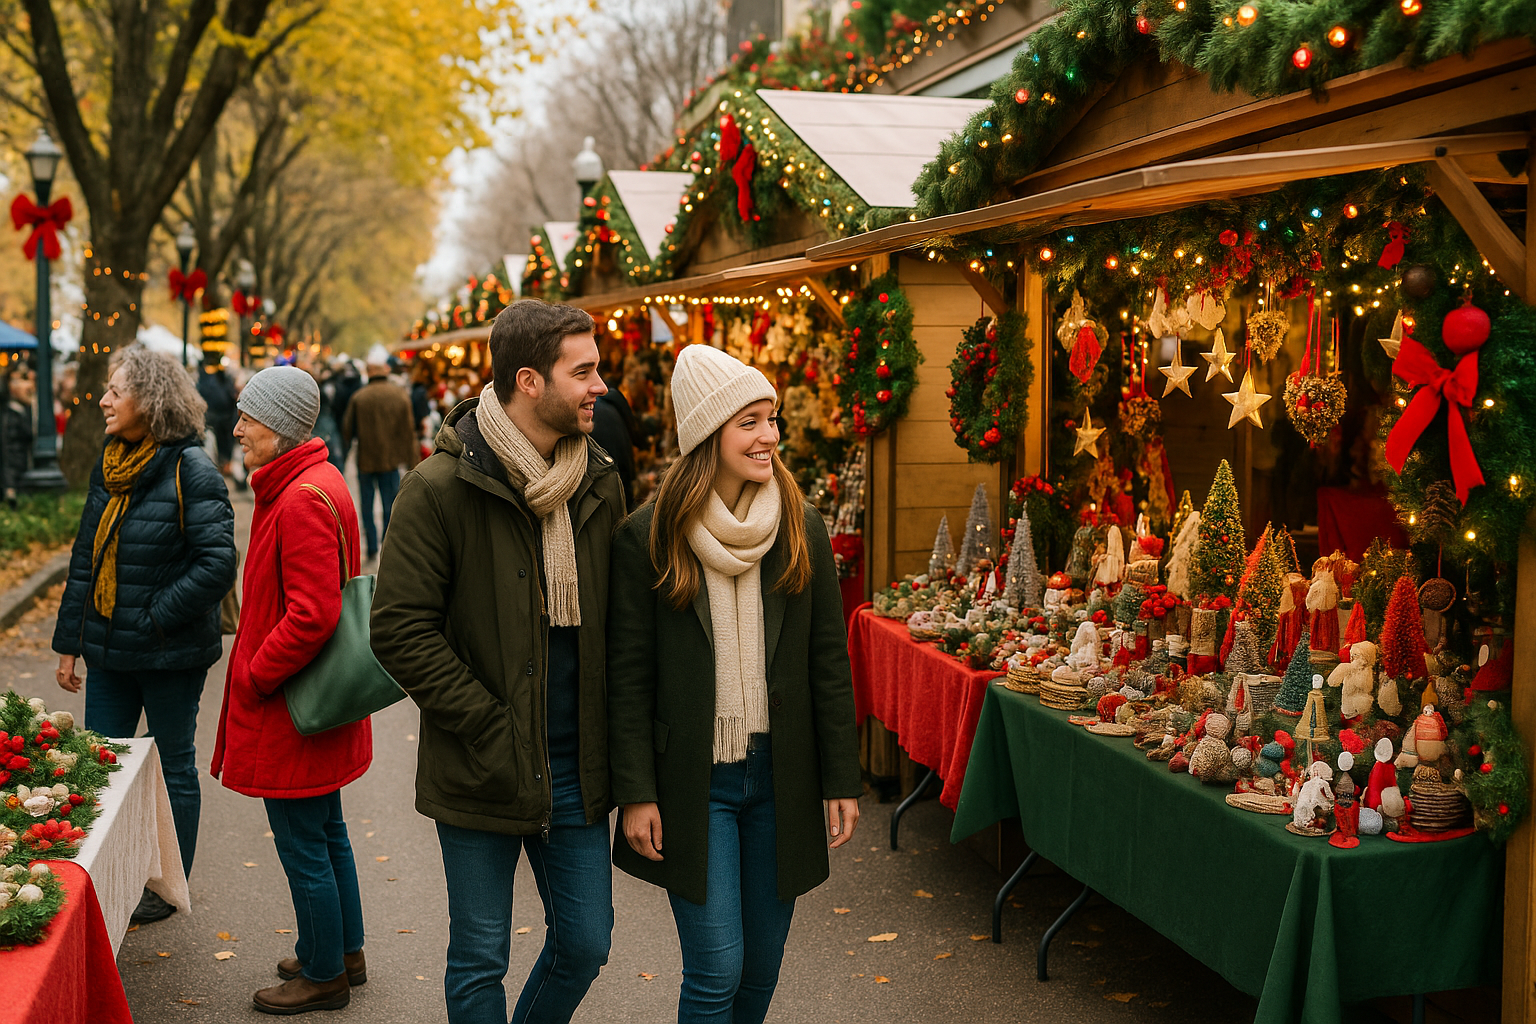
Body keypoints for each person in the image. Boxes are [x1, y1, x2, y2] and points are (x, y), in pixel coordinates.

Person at [371, 299, 624, 1024]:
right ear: (529, 381)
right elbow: (399, 629)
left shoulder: (597, 481)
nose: (599, 386)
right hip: (482, 763)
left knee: (586, 944)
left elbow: (620, 625)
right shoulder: (438, 490)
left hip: (578, 768)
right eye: (583, 371)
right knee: (480, 957)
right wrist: (488, 723)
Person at [607, 344, 862, 1024]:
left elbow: (827, 662)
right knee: (717, 969)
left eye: (771, 418)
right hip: (695, 783)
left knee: (760, 969)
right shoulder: (648, 538)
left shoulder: (800, 527)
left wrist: (840, 777)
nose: (769, 436)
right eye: (749, 421)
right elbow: (627, 681)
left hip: (782, 777)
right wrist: (635, 793)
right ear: (706, 434)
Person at [52, 345, 237, 923]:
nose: (104, 400)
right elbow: (87, 556)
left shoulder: (192, 468)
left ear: (150, 401)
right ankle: (108, 874)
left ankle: (165, 886)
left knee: (173, 764)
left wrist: (156, 615)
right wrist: (69, 643)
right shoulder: (109, 464)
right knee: (102, 764)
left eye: (116, 391)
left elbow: (217, 563)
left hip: (170, 653)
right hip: (109, 651)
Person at [211, 365, 373, 1015]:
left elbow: (312, 613)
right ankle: (342, 949)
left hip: (294, 703)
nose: (238, 428)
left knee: (303, 839)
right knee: (327, 830)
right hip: (316, 701)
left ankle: (324, 973)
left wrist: (256, 671)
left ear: (279, 426)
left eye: (248, 418)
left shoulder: (301, 495)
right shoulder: (311, 480)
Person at [342, 348, 419, 560]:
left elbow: (347, 429)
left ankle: (372, 548)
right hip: (390, 461)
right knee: (390, 505)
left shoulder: (359, 397)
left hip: (365, 460)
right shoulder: (400, 395)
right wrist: (413, 462)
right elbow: (408, 430)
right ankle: (388, 546)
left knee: (367, 507)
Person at [197, 364, 239, 474]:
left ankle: (222, 464)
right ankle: (225, 463)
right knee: (225, 442)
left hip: (215, 419)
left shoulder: (206, 383)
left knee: (219, 443)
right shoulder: (226, 382)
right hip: (225, 419)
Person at [1, 369, 35, 504]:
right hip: (17, 477)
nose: (30, 386)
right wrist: (10, 486)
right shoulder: (10, 415)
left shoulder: (23, 410)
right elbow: (8, 451)